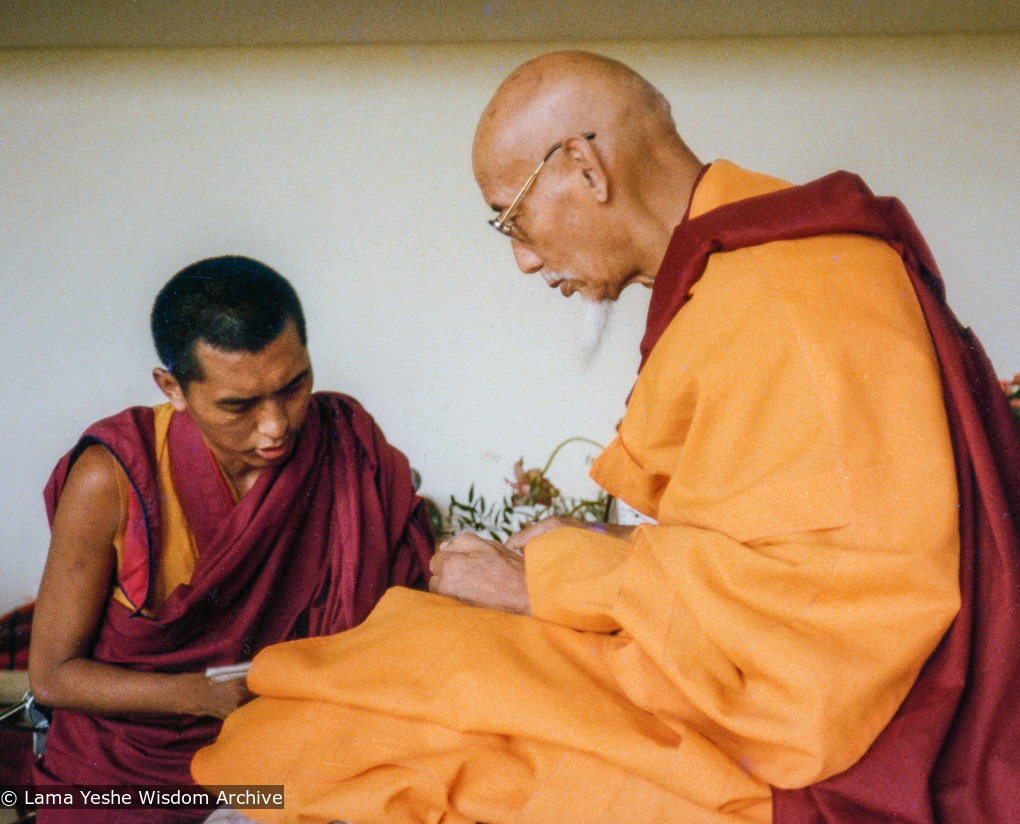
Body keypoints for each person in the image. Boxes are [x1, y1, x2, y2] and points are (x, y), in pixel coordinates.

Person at [191, 52, 1020, 823]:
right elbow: (789, 540)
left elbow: (827, 635)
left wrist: (548, 579)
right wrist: (591, 551)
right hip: (741, 665)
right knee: (373, 679)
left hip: (820, 727)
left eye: (510, 219)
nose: (520, 259)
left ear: (586, 170)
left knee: (345, 724)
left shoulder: (781, 298)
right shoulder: (755, 273)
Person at [28, 255, 434, 823]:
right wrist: (202, 697)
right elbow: (51, 675)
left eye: (294, 387)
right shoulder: (113, 478)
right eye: (237, 406)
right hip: (132, 775)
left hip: (292, 750)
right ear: (173, 387)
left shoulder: (344, 442)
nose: (275, 427)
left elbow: (398, 612)